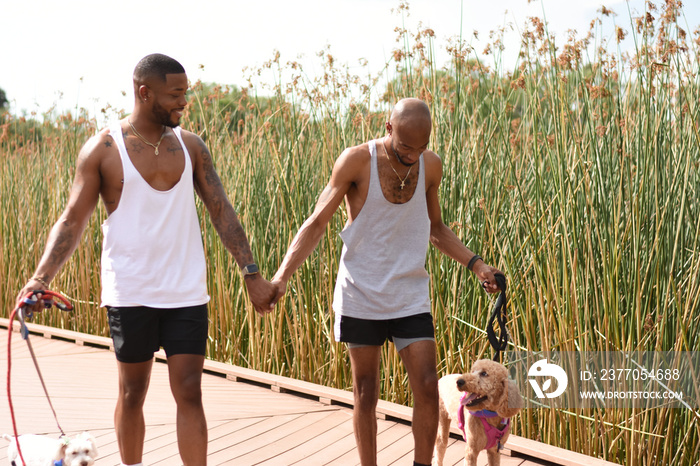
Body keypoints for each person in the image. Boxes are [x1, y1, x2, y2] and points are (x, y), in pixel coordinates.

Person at [15, 53, 277, 466]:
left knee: (190, 388)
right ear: (144, 92)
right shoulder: (103, 149)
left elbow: (221, 210)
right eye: (175, 95)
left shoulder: (191, 146)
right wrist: (39, 279)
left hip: (185, 290)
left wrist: (252, 274)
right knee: (132, 392)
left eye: (184, 94)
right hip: (130, 290)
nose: (183, 102)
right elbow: (72, 221)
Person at [270, 97, 504, 466]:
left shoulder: (431, 166)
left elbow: (436, 228)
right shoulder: (356, 161)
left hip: (409, 293)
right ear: (388, 128)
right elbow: (316, 222)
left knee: (427, 386)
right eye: (406, 147)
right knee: (366, 391)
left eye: (421, 147)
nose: (413, 155)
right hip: (360, 292)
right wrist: (282, 275)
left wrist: (477, 264)